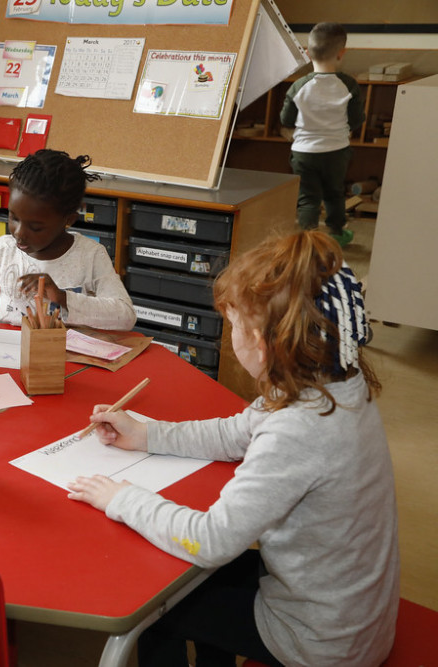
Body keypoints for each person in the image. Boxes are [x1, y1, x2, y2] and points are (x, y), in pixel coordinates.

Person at [67, 231, 399, 666]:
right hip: (349, 615)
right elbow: (236, 432)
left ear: (262, 343)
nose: (230, 335)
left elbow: (211, 541)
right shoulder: (333, 380)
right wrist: (147, 435)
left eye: (233, 324)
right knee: (203, 585)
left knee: (152, 610)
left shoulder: (297, 430)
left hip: (318, 643)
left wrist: (121, 497)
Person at [0, 149, 136, 329]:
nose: (19, 233)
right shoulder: (4, 250)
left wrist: (61, 297)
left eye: (35, 226)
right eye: (13, 217)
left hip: (62, 363)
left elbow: (125, 316)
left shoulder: (90, 255)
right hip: (8, 358)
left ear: (68, 219)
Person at [280, 22, 365, 247]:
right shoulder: (349, 85)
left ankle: (308, 240)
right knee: (334, 193)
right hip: (337, 151)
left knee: (308, 198)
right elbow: (356, 119)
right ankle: (336, 234)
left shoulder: (298, 86)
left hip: (304, 153)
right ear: (341, 52)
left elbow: (286, 120)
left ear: (307, 53)